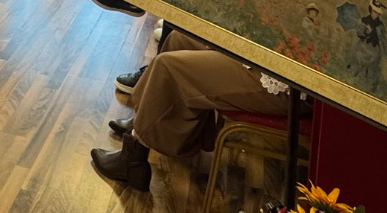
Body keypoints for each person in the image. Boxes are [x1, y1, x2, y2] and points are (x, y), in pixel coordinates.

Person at [90, 32, 290, 191]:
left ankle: (132, 162)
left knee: (168, 66)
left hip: (285, 82)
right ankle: (140, 125)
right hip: (269, 54)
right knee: (179, 38)